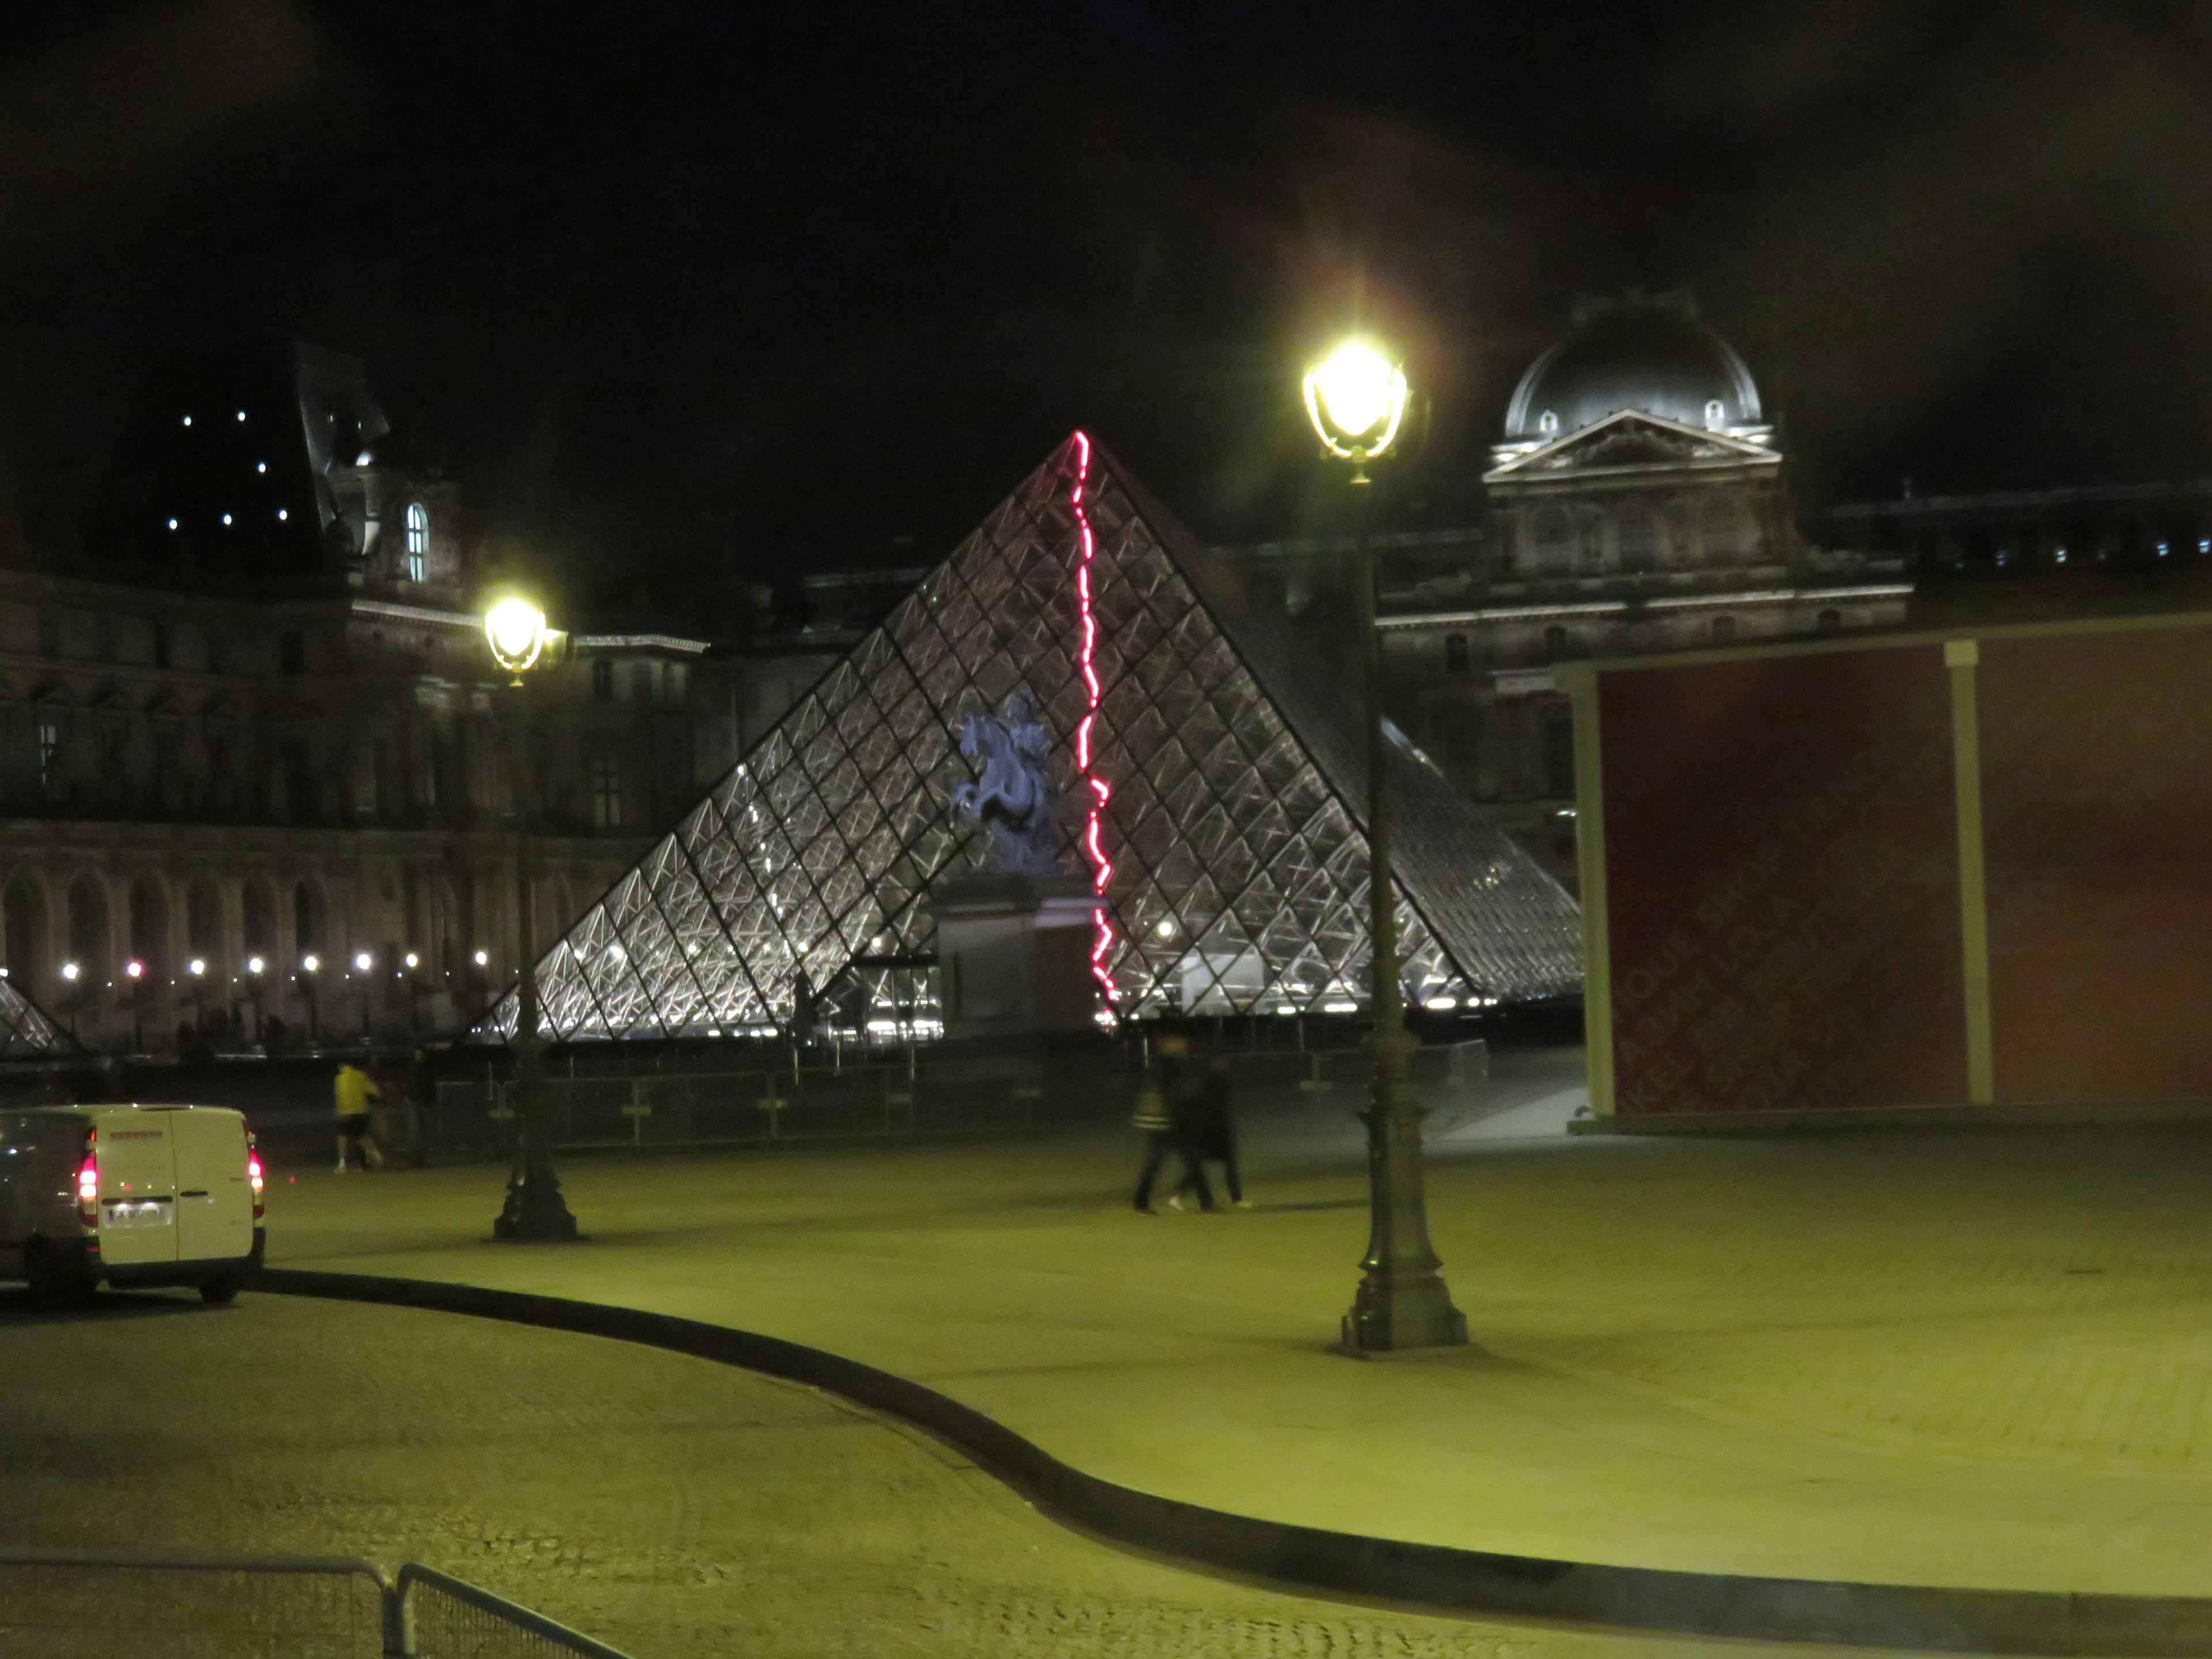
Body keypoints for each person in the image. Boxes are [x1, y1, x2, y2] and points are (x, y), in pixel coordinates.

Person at [1132, 1032, 1213, 1214]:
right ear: (1169, 1043)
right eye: (1179, 1041)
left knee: (1183, 1159)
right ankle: (1207, 1203)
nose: (1183, 1045)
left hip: (1168, 1119)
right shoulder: (1165, 1063)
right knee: (1181, 1159)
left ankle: (1207, 1202)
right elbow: (1166, 1091)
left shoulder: (1167, 1062)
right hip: (1167, 1121)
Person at [1175, 1054, 1247, 1209]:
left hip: (1217, 1132)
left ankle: (1236, 1198)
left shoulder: (1217, 1084)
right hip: (1211, 1133)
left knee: (1225, 1164)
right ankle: (1180, 1195)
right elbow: (1207, 1108)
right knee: (1203, 1166)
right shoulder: (1211, 1085)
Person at [334, 1059, 384, 1173]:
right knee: (362, 1136)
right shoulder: (361, 1076)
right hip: (361, 1112)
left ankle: (342, 1165)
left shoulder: (339, 1078)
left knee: (342, 1137)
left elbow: (339, 1098)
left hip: (345, 1113)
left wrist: (339, 1112)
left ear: (341, 1066)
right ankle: (376, 1156)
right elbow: (375, 1091)